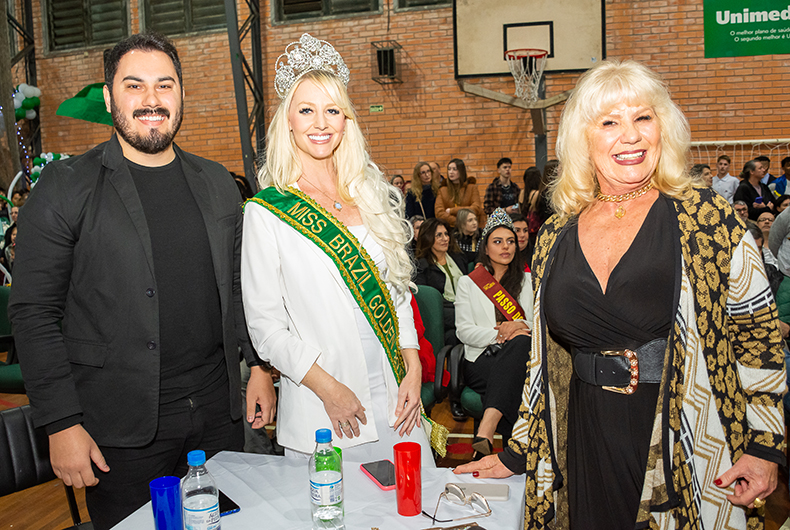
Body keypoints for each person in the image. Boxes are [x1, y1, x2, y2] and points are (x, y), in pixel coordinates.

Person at [455, 59, 785, 530]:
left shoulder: (708, 218)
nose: (630, 135)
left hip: (682, 437)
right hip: (582, 433)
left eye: (643, 117)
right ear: (583, 138)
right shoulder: (555, 234)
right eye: (609, 122)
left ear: (663, 128)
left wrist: (765, 446)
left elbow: (757, 336)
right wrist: (519, 450)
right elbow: (543, 362)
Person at [8, 33, 276, 529]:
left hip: (217, 417)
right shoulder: (66, 186)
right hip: (119, 428)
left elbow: (238, 288)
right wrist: (61, 423)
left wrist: (258, 366)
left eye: (164, 85)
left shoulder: (217, 182)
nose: (152, 99)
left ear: (181, 94)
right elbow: (33, 313)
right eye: (134, 85)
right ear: (110, 97)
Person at [241, 34, 446, 468]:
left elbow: (397, 294)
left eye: (332, 110)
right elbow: (266, 329)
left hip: (397, 398)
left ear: (347, 120)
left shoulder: (371, 196)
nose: (321, 123)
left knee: (411, 502)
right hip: (323, 407)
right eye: (306, 110)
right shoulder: (267, 212)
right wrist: (329, 390)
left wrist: (413, 368)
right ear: (288, 121)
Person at [454, 209, 533, 458]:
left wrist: (518, 325)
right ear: (486, 249)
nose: (506, 247)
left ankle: (486, 433)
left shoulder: (529, 281)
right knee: (518, 381)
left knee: (520, 347)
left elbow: (537, 324)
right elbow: (464, 331)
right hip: (481, 359)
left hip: (521, 356)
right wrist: (504, 333)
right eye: (497, 242)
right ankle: (516, 457)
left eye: (510, 241)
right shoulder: (468, 283)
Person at [414, 217, 468, 346]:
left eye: (446, 234)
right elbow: (427, 302)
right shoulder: (421, 266)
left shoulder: (458, 257)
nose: (445, 239)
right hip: (443, 313)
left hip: (465, 306)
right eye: (439, 235)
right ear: (428, 238)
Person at [435, 158, 484, 226]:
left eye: (454, 169)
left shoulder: (472, 188)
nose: (451, 172)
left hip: (470, 226)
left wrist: (452, 210)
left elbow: (476, 208)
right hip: (450, 227)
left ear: (461, 171)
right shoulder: (442, 190)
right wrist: (458, 222)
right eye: (449, 169)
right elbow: (439, 213)